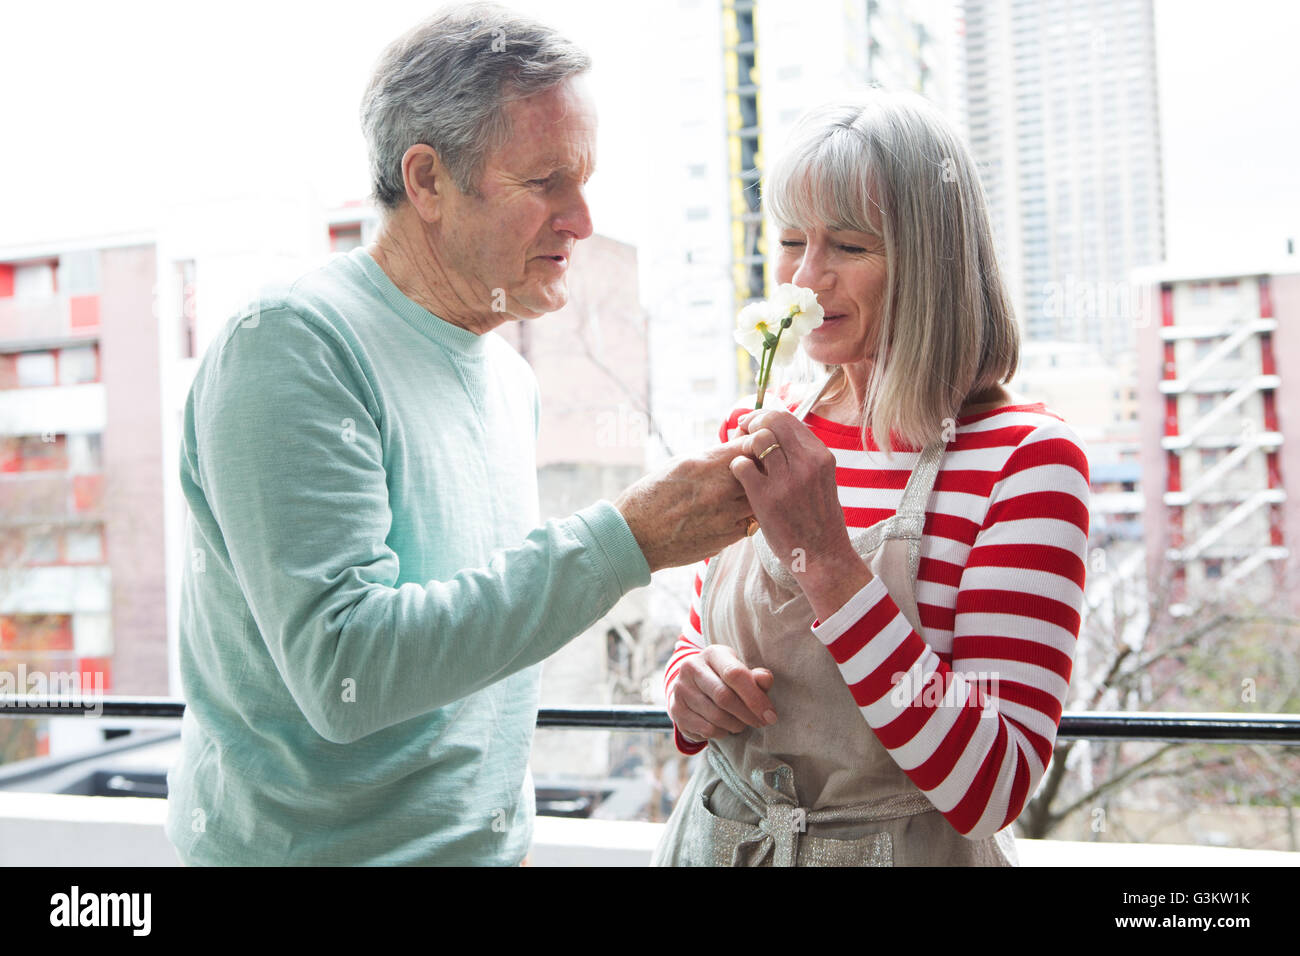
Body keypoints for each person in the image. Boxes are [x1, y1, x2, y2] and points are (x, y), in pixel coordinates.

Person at [165, 3, 752, 866]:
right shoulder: (291, 346)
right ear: (429, 180)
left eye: (584, 179)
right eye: (547, 180)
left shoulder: (510, 380)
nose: (582, 218)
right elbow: (343, 672)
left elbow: (477, 637)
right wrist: (625, 541)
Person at [655, 90, 1091, 866]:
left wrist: (828, 562)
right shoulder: (757, 426)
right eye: (791, 240)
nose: (808, 277)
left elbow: (991, 787)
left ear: (933, 264)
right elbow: (698, 637)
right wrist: (690, 687)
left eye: (850, 247)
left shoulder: (1025, 463)